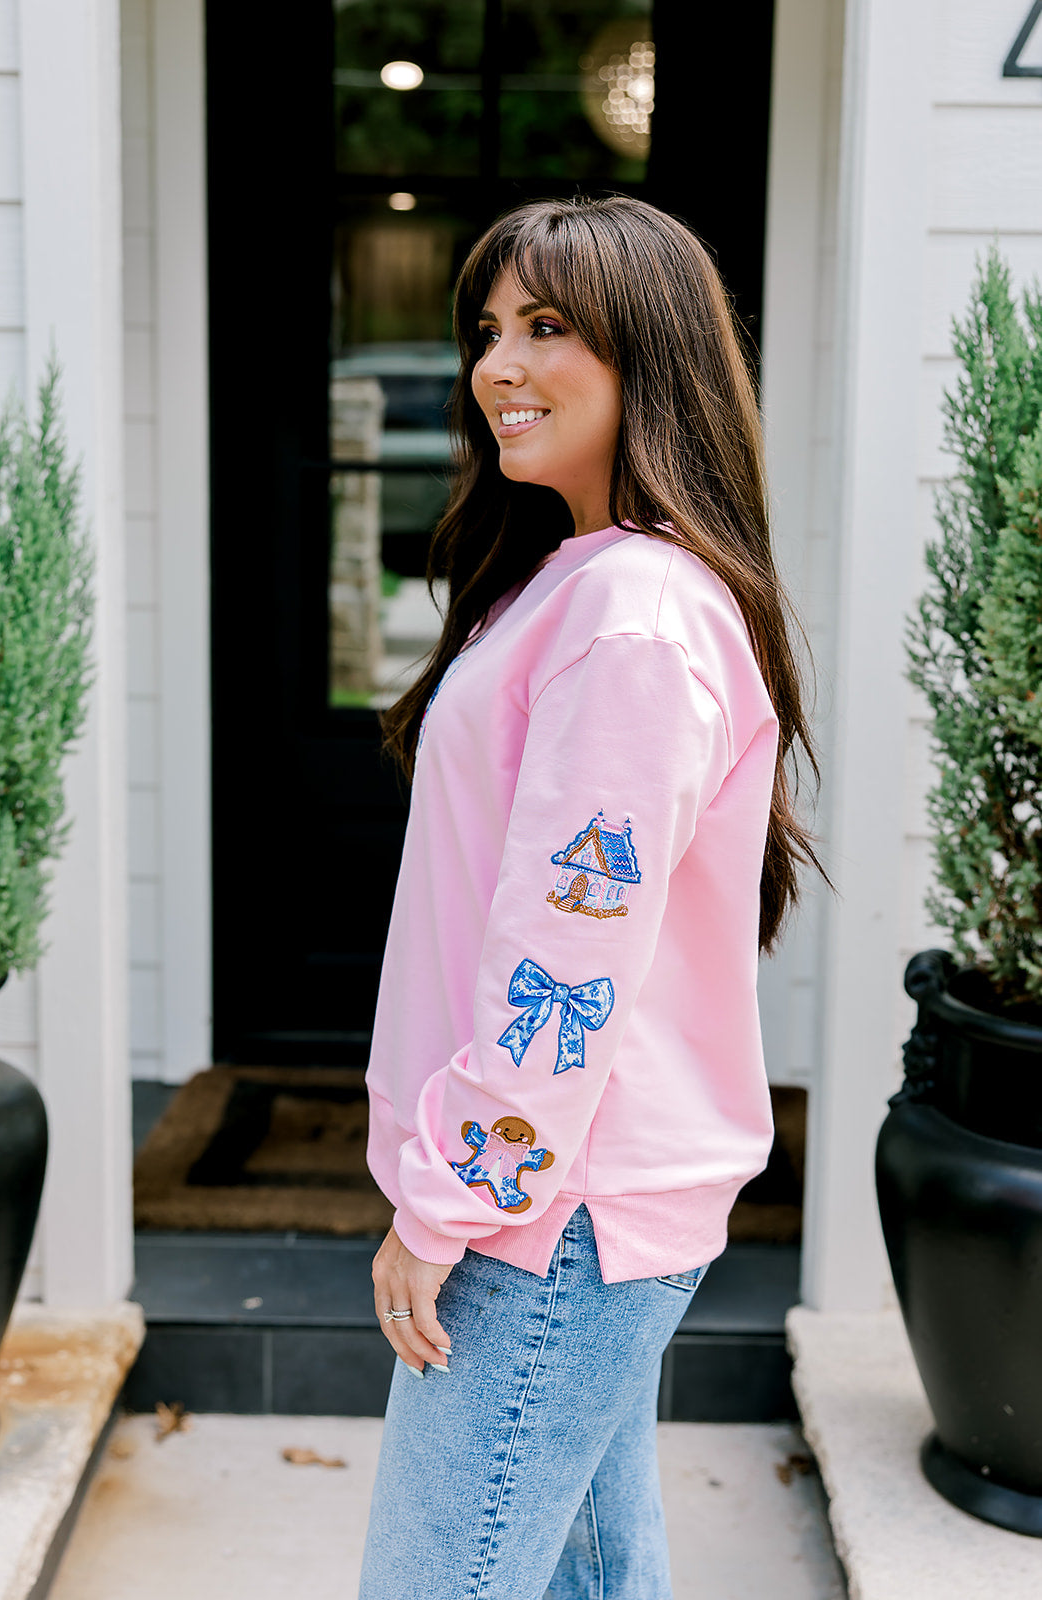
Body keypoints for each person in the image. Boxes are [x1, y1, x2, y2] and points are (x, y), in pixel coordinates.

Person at [358, 194, 823, 1599]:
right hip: (570, 1206)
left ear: (653, 358)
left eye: (548, 328)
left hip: (547, 1215)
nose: (499, 364)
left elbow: (565, 960)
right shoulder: (581, 583)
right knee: (592, 1578)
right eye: (489, 330)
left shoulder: (632, 615)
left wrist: (447, 1205)